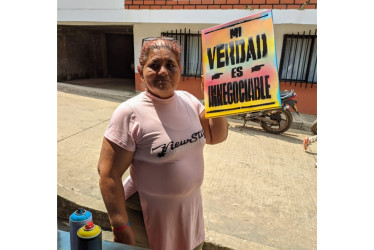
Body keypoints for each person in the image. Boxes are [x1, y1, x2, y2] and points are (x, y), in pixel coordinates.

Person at [98, 37, 228, 250]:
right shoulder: (129, 112)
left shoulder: (189, 100)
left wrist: (214, 98)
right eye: (154, 66)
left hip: (188, 209)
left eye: (170, 65)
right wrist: (120, 226)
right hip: (145, 213)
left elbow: (216, 136)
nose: (163, 72)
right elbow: (108, 174)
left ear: (180, 70)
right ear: (141, 71)